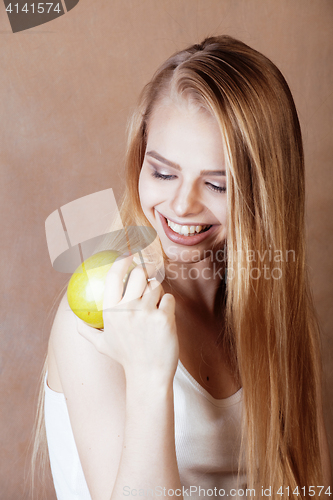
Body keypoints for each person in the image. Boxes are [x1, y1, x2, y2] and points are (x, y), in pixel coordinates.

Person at [31, 35, 332, 500]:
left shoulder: (268, 308)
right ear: (139, 163)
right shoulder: (94, 318)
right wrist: (150, 376)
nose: (181, 205)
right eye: (163, 173)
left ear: (265, 196)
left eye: (216, 184)